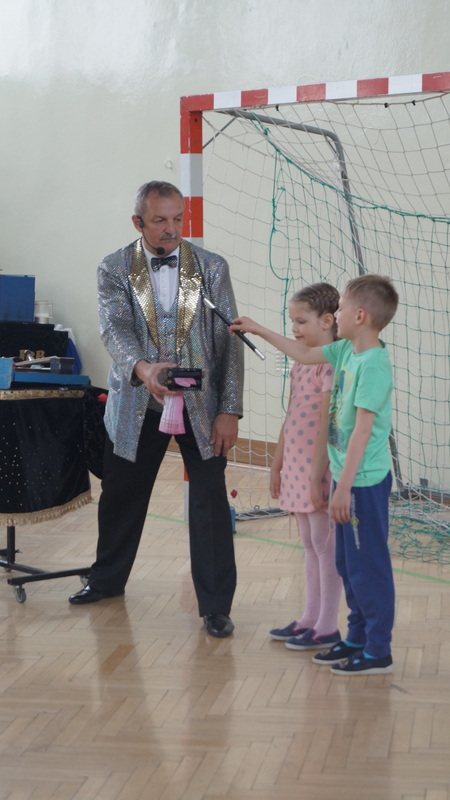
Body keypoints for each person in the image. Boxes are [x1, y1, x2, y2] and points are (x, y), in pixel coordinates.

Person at [69, 181, 244, 639]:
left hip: (202, 407)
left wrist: (230, 408)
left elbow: (229, 341)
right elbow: (114, 329)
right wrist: (143, 369)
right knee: (121, 495)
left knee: (208, 501)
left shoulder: (212, 267)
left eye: (177, 219)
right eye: (160, 220)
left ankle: (215, 607)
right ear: (138, 222)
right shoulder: (113, 267)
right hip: (136, 402)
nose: (171, 229)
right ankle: (106, 581)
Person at [231, 274, 398, 674]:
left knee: (368, 566)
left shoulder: (374, 365)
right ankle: (355, 637)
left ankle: (378, 649)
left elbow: (361, 432)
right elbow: (302, 353)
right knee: (347, 564)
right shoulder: (345, 351)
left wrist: (342, 488)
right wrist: (257, 329)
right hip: (346, 478)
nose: (336, 313)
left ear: (360, 315)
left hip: (362, 483)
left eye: (341, 308)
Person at [267, 283, 343, 651]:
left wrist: (316, 477)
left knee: (325, 547)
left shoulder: (330, 365)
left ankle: (328, 625)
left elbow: (329, 424)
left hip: (318, 470)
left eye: (301, 321)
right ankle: (309, 618)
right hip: (297, 468)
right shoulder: (300, 363)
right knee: (310, 545)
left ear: (327, 321)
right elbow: (292, 414)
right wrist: (276, 463)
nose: (294, 328)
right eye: (292, 321)